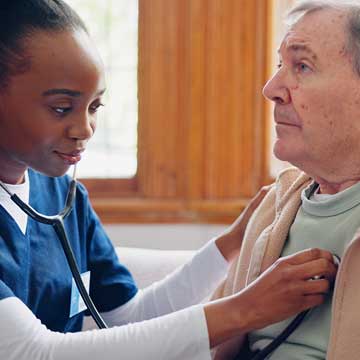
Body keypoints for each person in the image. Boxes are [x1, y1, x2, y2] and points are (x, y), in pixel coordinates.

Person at [0, 1, 337, 359]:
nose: (84, 129)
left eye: (94, 107)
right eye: (61, 108)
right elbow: (31, 352)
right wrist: (245, 310)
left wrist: (233, 242)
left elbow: (129, 318)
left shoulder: (63, 198)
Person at [211, 0, 360, 359]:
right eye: (281, 65)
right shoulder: (276, 206)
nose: (272, 88)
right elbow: (204, 338)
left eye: (302, 66)